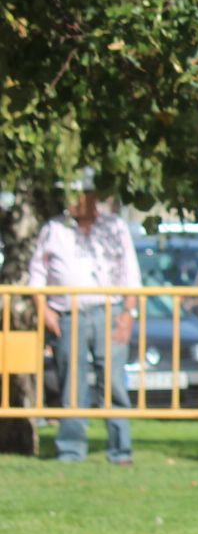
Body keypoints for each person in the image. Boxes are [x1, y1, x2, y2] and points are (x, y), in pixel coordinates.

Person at [28, 172, 140, 464]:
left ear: (94, 196)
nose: (75, 201)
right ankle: (70, 451)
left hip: (110, 312)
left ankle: (120, 450)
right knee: (71, 386)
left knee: (114, 383)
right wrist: (46, 311)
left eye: (81, 194)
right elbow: (36, 276)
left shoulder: (115, 226)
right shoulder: (53, 229)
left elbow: (131, 273)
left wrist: (128, 313)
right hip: (68, 314)